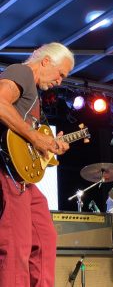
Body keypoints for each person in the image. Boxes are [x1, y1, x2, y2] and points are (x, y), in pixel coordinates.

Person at [0, 42, 74, 286]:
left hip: (23, 178)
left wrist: (50, 147)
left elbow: (30, 145)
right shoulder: (21, 72)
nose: (60, 81)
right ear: (45, 61)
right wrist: (35, 137)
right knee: (15, 244)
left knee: (45, 238)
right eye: (60, 74)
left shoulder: (34, 97)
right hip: (7, 173)